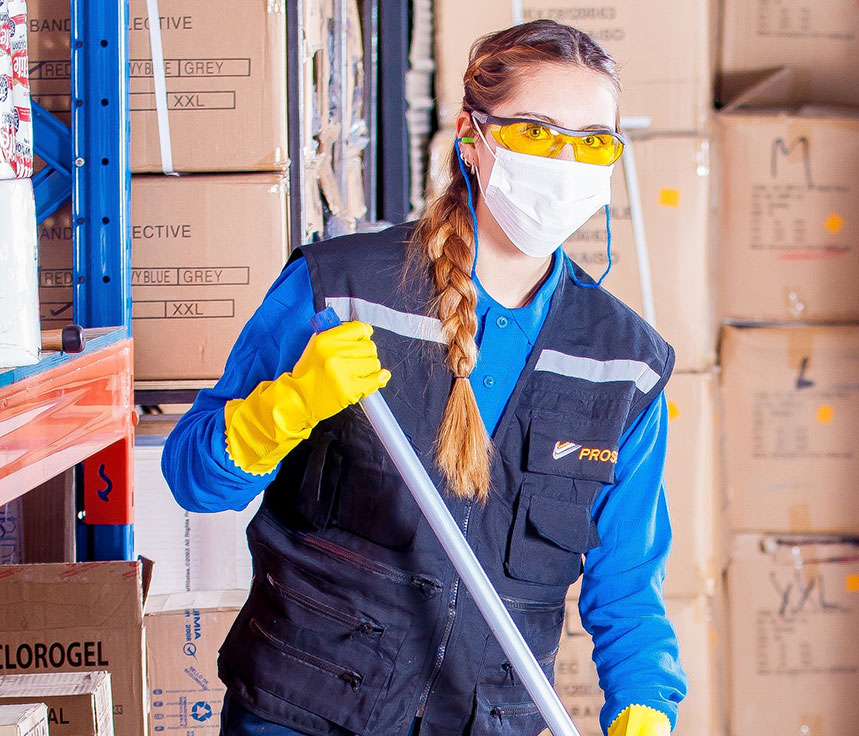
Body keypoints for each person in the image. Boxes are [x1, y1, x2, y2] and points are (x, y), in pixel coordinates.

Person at [162, 19, 685, 736]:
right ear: (474, 137)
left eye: (593, 141)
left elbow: (629, 584)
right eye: (537, 132)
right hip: (303, 712)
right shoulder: (341, 290)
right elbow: (193, 478)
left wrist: (646, 703)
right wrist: (280, 410)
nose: (566, 160)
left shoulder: (624, 364)